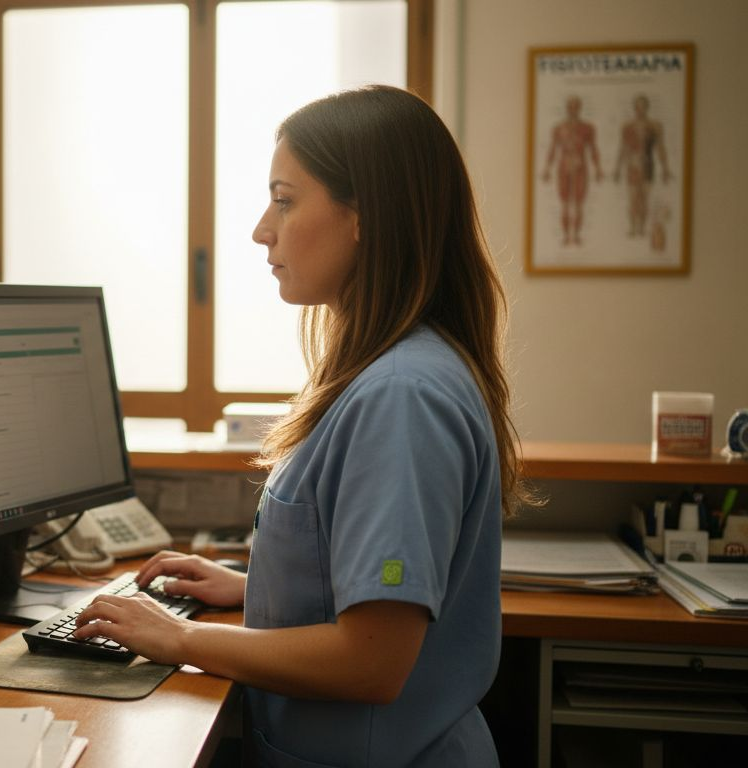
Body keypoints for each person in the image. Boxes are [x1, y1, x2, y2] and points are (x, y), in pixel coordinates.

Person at [72, 85, 532, 766]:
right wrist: (256, 588)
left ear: (364, 217)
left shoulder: (401, 397)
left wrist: (180, 638)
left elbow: (371, 661)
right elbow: (364, 587)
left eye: (285, 200)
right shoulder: (390, 371)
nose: (263, 229)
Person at [540, 96, 602, 246]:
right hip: (564, 167)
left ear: (579, 108)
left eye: (575, 106)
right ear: (567, 108)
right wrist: (547, 168)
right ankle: (566, 236)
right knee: (565, 204)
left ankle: (577, 235)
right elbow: (553, 149)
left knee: (579, 203)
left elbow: (593, 149)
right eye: (570, 106)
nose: (573, 109)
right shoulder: (559, 128)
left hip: (580, 167)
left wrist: (598, 168)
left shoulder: (587, 128)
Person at [613, 94, 671, 238]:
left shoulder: (654, 126)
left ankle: (642, 228)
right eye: (638, 106)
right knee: (633, 198)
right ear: (634, 108)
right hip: (632, 166)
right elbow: (623, 148)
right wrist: (617, 169)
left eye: (643, 106)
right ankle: (633, 228)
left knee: (644, 198)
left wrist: (665, 169)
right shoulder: (627, 126)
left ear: (647, 107)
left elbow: (660, 148)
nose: (640, 109)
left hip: (648, 165)